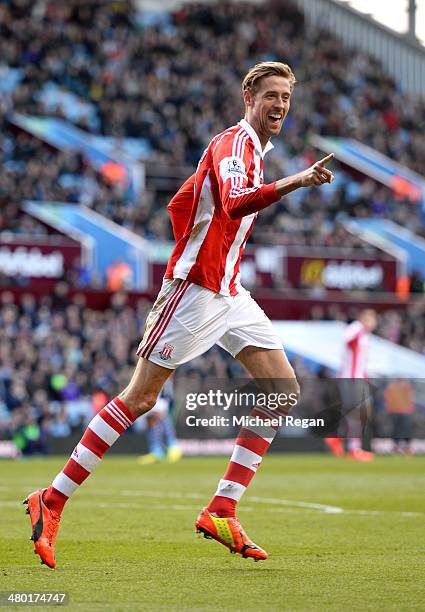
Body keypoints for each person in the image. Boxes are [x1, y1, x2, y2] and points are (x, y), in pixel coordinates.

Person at [24, 61, 335, 567]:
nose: (280, 105)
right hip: (194, 291)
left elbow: (186, 201)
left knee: (282, 390)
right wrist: (295, 182)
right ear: (248, 99)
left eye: (286, 98)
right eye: (271, 96)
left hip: (228, 290)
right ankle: (52, 499)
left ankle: (221, 510)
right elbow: (234, 204)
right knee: (140, 398)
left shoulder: (252, 150)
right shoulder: (233, 145)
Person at [325, 309, 377, 460]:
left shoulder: (365, 334)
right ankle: (352, 448)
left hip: (357, 378)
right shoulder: (357, 328)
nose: (374, 322)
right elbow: (346, 338)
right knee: (358, 413)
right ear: (363, 317)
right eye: (371, 318)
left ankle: (340, 440)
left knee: (357, 412)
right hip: (352, 378)